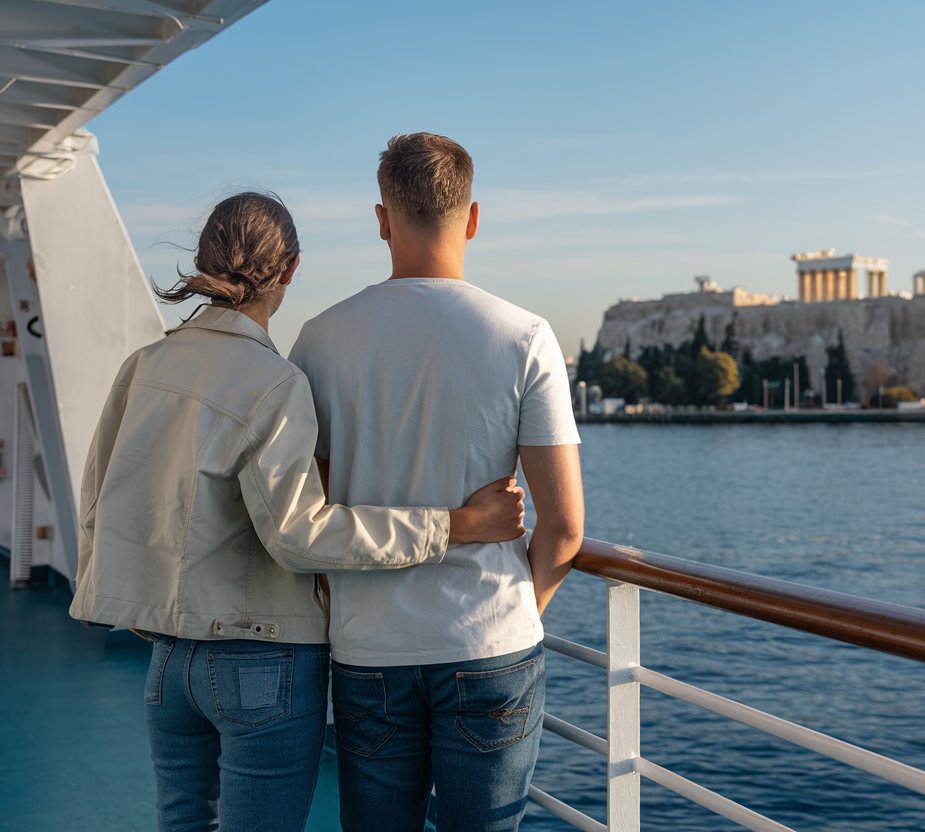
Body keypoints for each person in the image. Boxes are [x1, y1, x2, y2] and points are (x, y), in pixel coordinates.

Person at [69, 192, 526, 832]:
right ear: (290, 270)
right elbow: (298, 535)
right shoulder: (272, 382)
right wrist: (456, 524)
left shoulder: (141, 367)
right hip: (262, 660)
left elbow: (99, 495)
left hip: (170, 664)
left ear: (204, 262)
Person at [288, 133, 584, 832]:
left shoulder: (321, 338)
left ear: (382, 219)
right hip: (489, 645)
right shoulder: (525, 335)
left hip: (370, 650)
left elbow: (311, 514)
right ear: (473, 218)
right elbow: (565, 528)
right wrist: (515, 612)